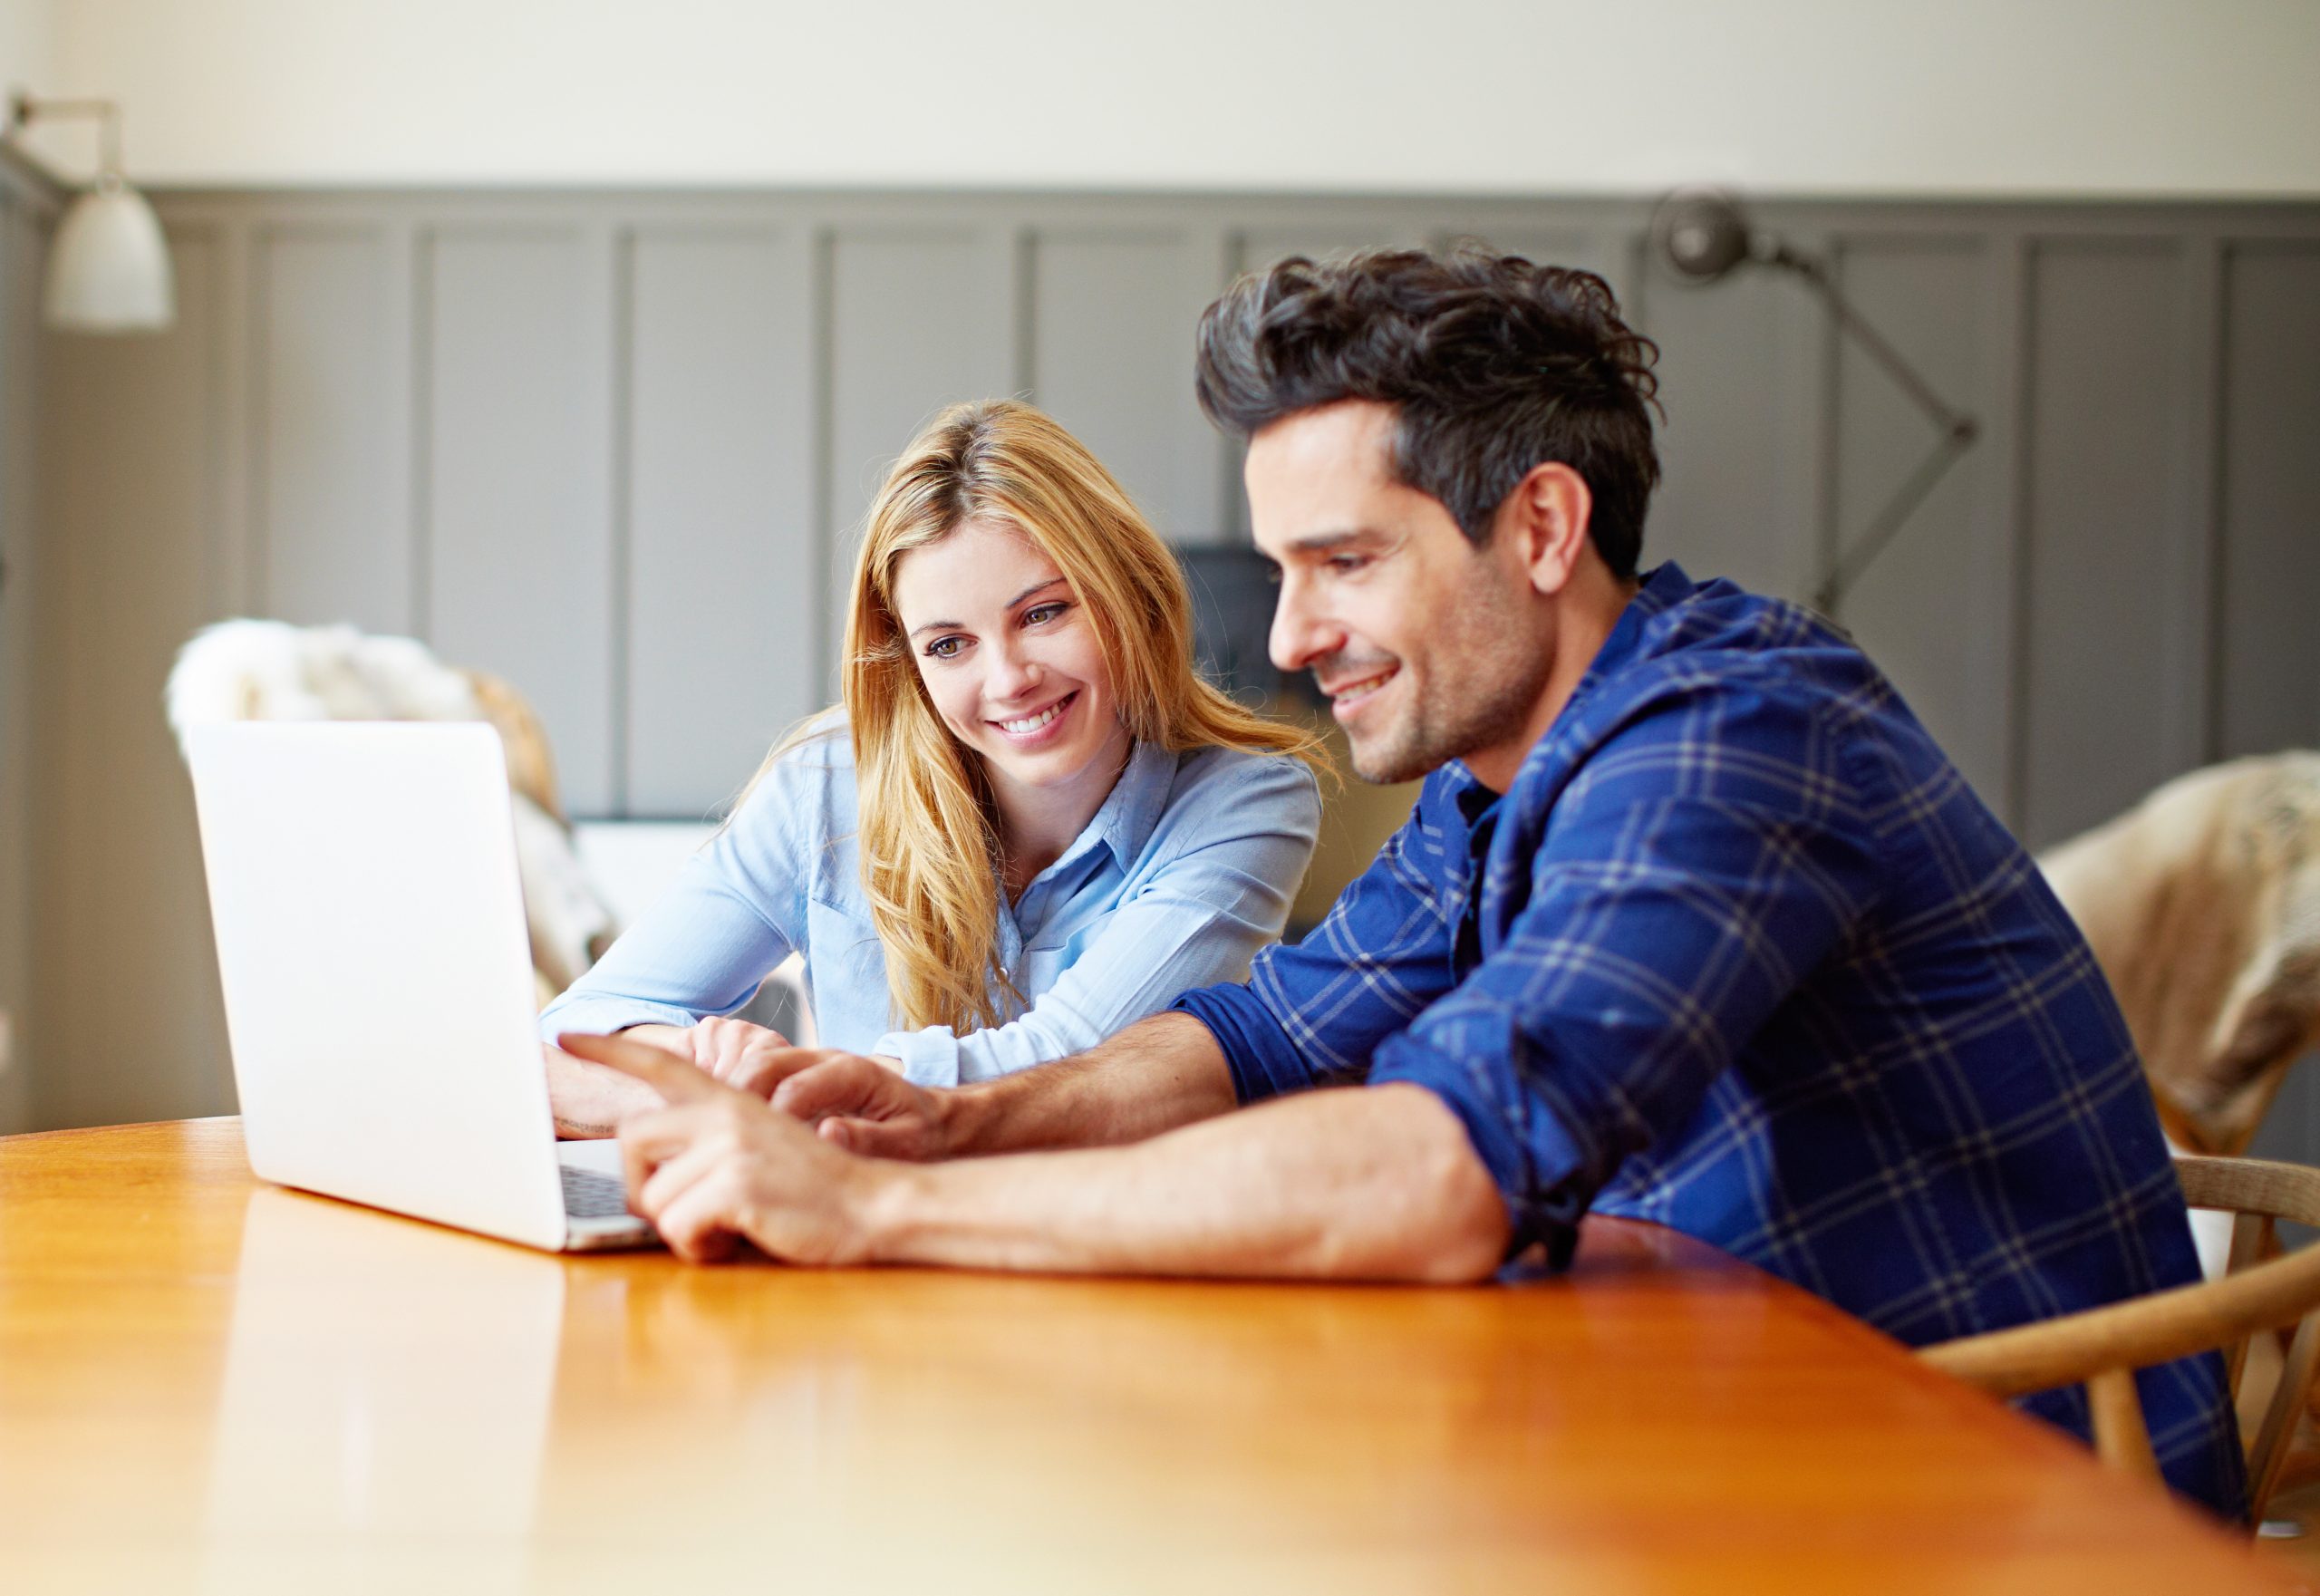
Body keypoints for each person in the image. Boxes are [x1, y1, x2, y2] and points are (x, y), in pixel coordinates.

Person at [560, 248, 2242, 1519]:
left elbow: (1445, 1168)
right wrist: (932, 1120)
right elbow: (1259, 1037)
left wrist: (879, 1212)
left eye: (1343, 565)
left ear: (1540, 528)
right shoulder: (1487, 787)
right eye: (1284, 571)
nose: (1287, 640)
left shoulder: (1732, 735)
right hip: (1701, 1424)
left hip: (1991, 1489)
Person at [540, 400, 1324, 1132]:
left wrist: (774, 1093)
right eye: (949, 644)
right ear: (911, 663)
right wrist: (693, 1069)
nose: (1009, 679)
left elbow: (1066, 1064)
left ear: (1129, 592)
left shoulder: (1249, 801)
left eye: (1043, 612)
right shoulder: (826, 786)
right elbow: (564, 1042)